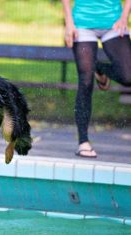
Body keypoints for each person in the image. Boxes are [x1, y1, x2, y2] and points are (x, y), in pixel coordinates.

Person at [62, 0, 131, 158]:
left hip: (114, 23)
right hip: (82, 24)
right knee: (85, 81)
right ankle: (83, 142)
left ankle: (99, 69)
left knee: (128, 76)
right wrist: (69, 23)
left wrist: (124, 17)